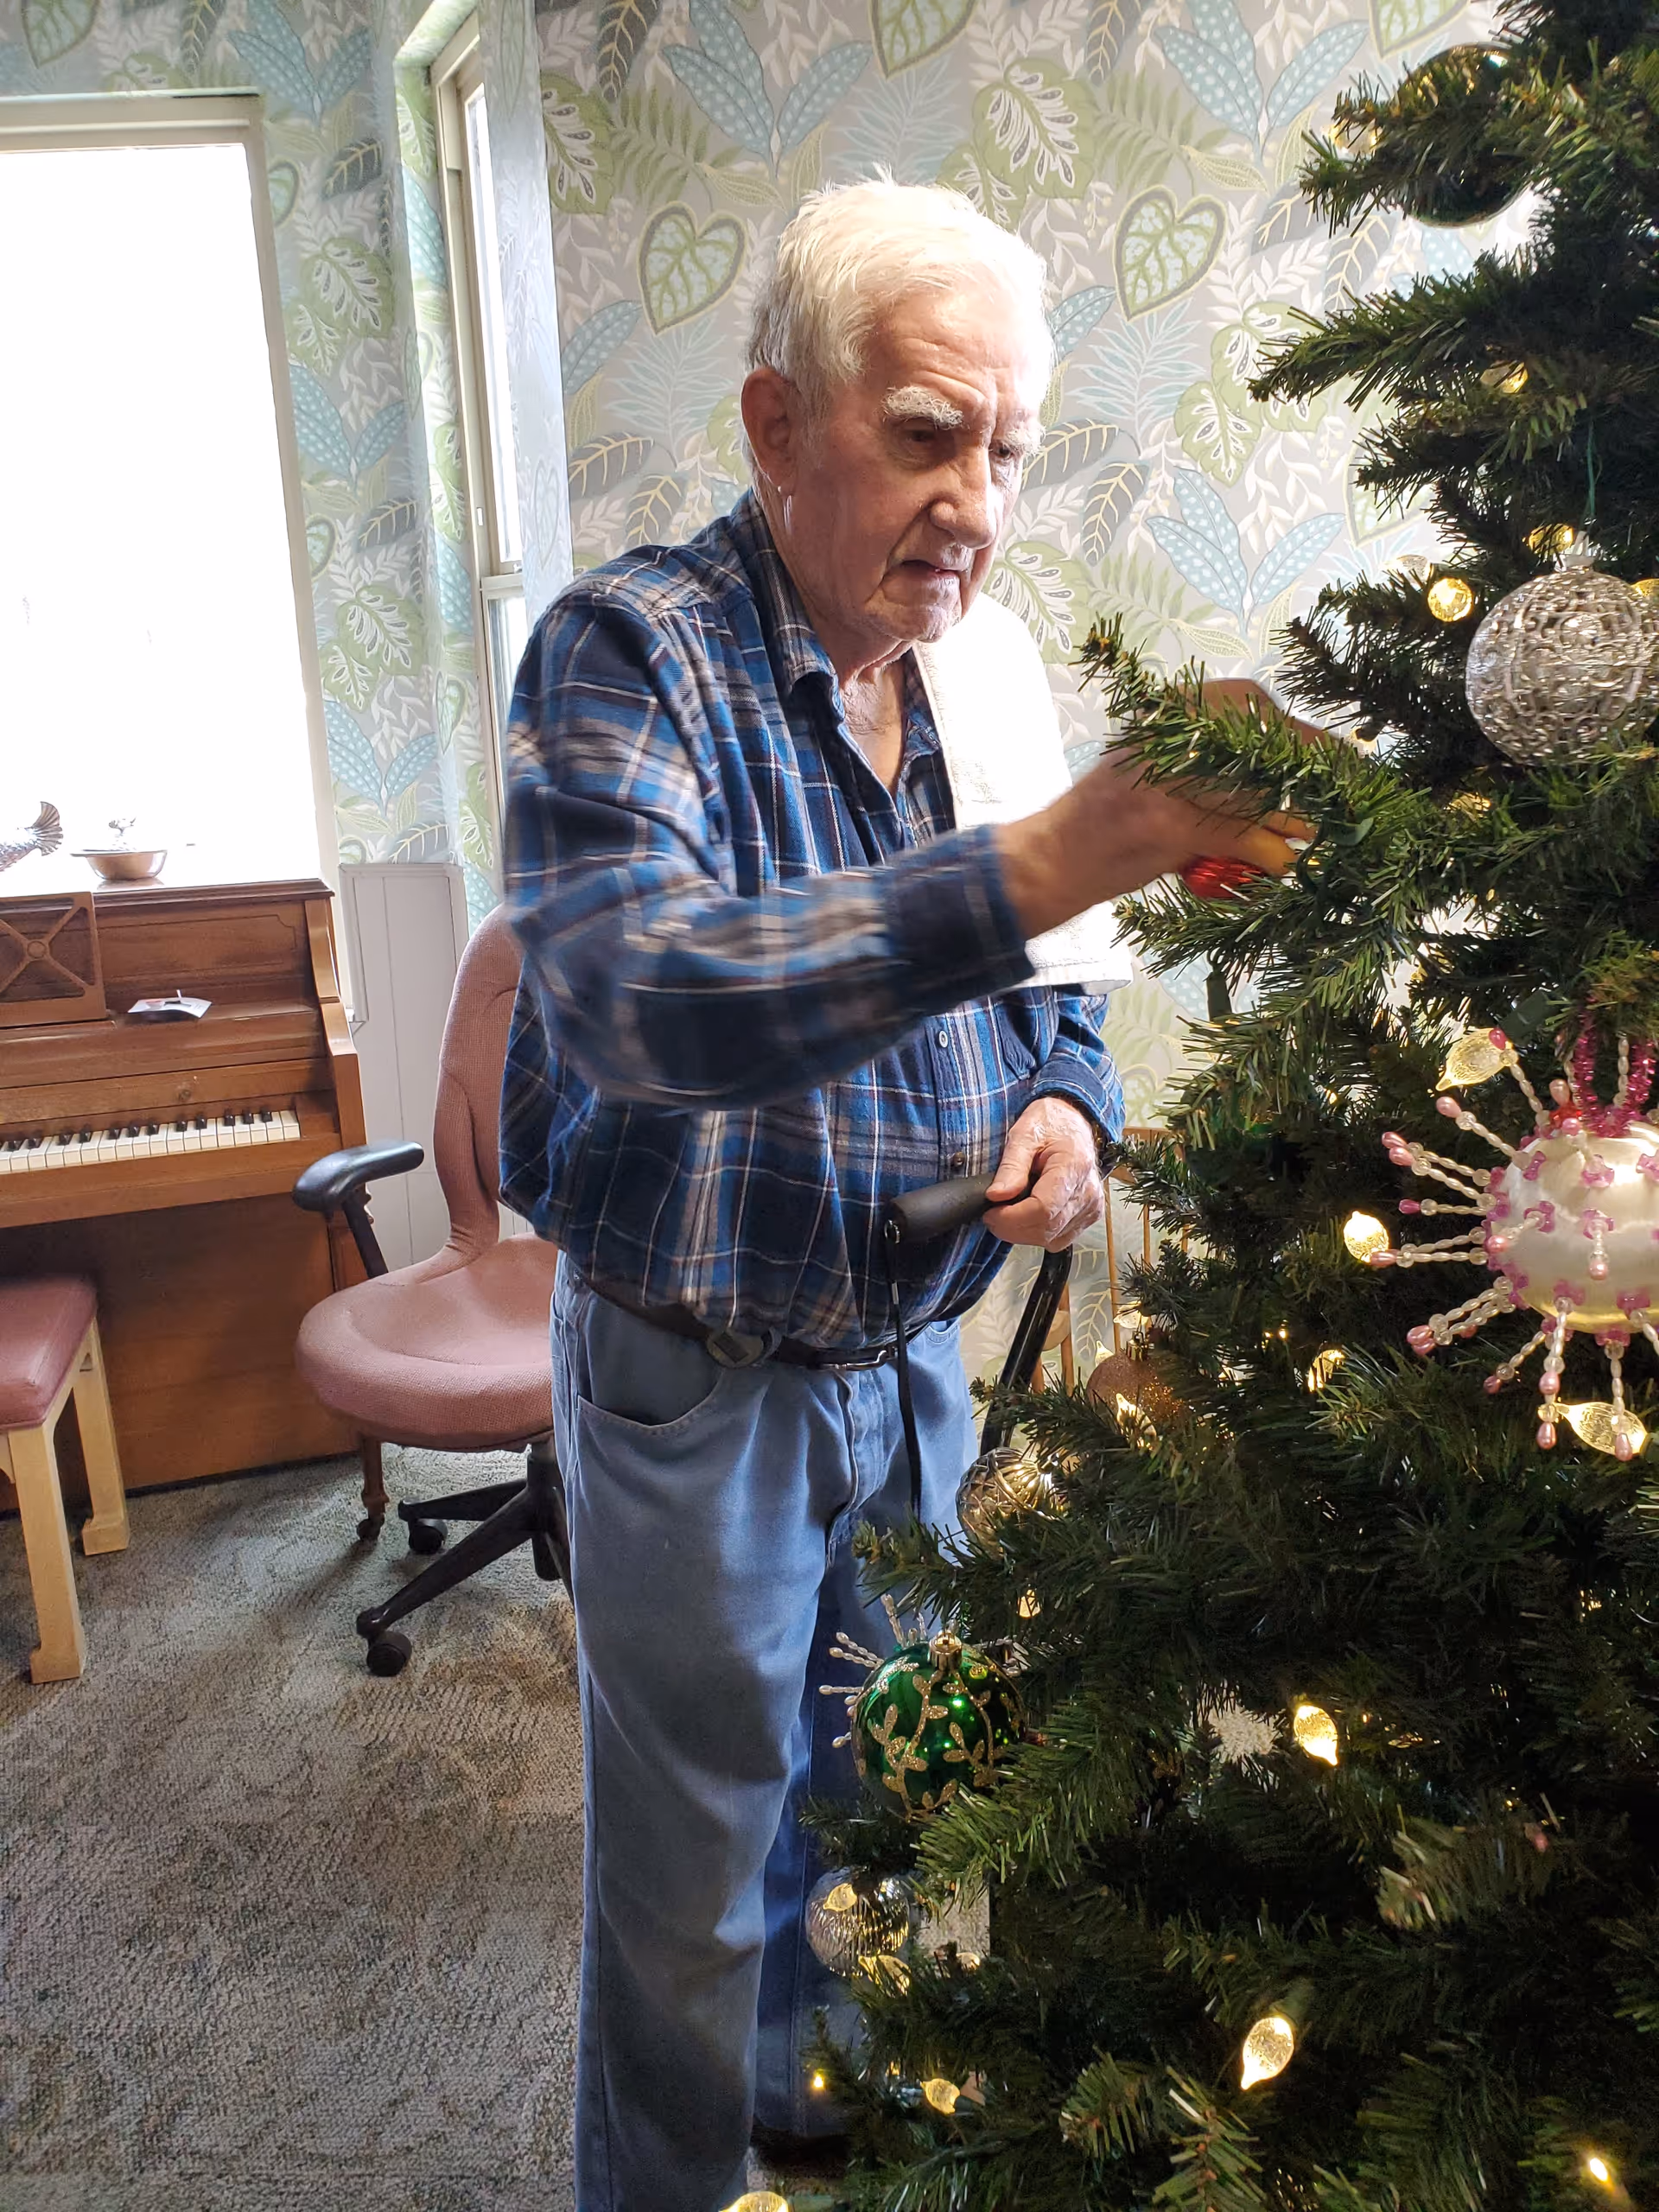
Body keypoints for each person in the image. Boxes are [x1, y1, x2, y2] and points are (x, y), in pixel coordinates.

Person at [502, 178, 1305, 2212]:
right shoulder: (628, 652)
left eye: (1009, 453)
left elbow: (1059, 1012)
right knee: (688, 1883)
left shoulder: (973, 671)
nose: (977, 503)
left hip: (908, 1360)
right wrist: (1066, 850)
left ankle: (814, 2128)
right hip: (702, 1375)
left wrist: (1068, 1110)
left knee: (881, 1811)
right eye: (931, 435)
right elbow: (643, 1000)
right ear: (780, 426)